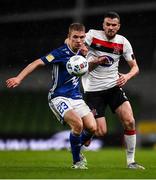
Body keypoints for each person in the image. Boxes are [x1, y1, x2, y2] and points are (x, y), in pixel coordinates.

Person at [6, 23, 97, 169]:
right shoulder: (59, 53)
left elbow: (84, 65)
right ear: (69, 37)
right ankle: (77, 161)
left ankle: (76, 146)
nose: (79, 41)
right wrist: (19, 78)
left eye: (81, 37)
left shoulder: (82, 51)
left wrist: (94, 60)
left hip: (76, 97)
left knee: (93, 128)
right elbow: (37, 62)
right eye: (75, 37)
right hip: (58, 96)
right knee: (78, 125)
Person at [82, 11, 145, 169]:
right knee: (100, 132)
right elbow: (74, 42)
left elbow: (135, 67)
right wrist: (85, 52)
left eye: (113, 25)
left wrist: (127, 76)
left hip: (113, 87)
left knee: (130, 121)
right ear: (103, 25)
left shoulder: (123, 42)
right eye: (107, 24)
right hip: (93, 90)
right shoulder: (92, 35)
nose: (110, 27)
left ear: (118, 26)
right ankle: (82, 137)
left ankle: (131, 162)